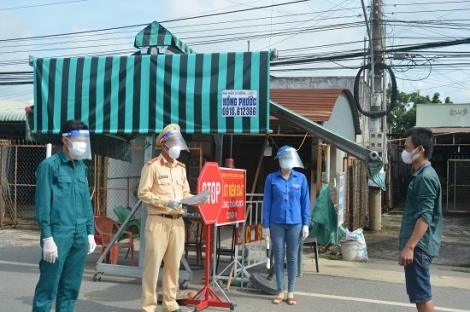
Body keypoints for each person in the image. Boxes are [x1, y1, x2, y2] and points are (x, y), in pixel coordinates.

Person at [138, 124, 208, 312]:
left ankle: (170, 303)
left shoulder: (181, 169)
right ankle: (148, 306)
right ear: (164, 145)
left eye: (178, 142)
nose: (177, 146)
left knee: (173, 265)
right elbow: (142, 193)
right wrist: (165, 201)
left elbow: (185, 192)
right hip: (158, 220)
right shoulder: (152, 166)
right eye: (173, 142)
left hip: (177, 222)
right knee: (152, 266)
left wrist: (196, 199)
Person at [32, 120, 96, 311]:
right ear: (65, 140)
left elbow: (86, 202)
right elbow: (42, 204)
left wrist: (90, 232)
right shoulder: (49, 166)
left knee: (71, 288)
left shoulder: (81, 167)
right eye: (79, 139)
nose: (82, 143)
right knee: (48, 287)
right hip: (58, 233)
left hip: (79, 234)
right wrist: (48, 237)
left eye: (85, 139)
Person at [399, 127, 443, 312]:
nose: (405, 151)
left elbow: (425, 216)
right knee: (420, 295)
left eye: (408, 148)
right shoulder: (421, 175)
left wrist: (410, 247)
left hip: (419, 247)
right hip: (418, 246)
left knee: (422, 296)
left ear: (420, 149)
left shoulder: (425, 177)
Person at [262, 145, 311, 305]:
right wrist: (265, 225)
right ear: (279, 160)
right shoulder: (271, 178)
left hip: (295, 224)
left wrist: (306, 223)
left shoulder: (301, 178)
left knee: (292, 258)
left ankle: (291, 292)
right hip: (276, 223)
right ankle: (280, 291)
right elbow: (267, 203)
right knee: (278, 257)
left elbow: (305, 202)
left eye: (289, 159)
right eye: (284, 159)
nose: (287, 162)